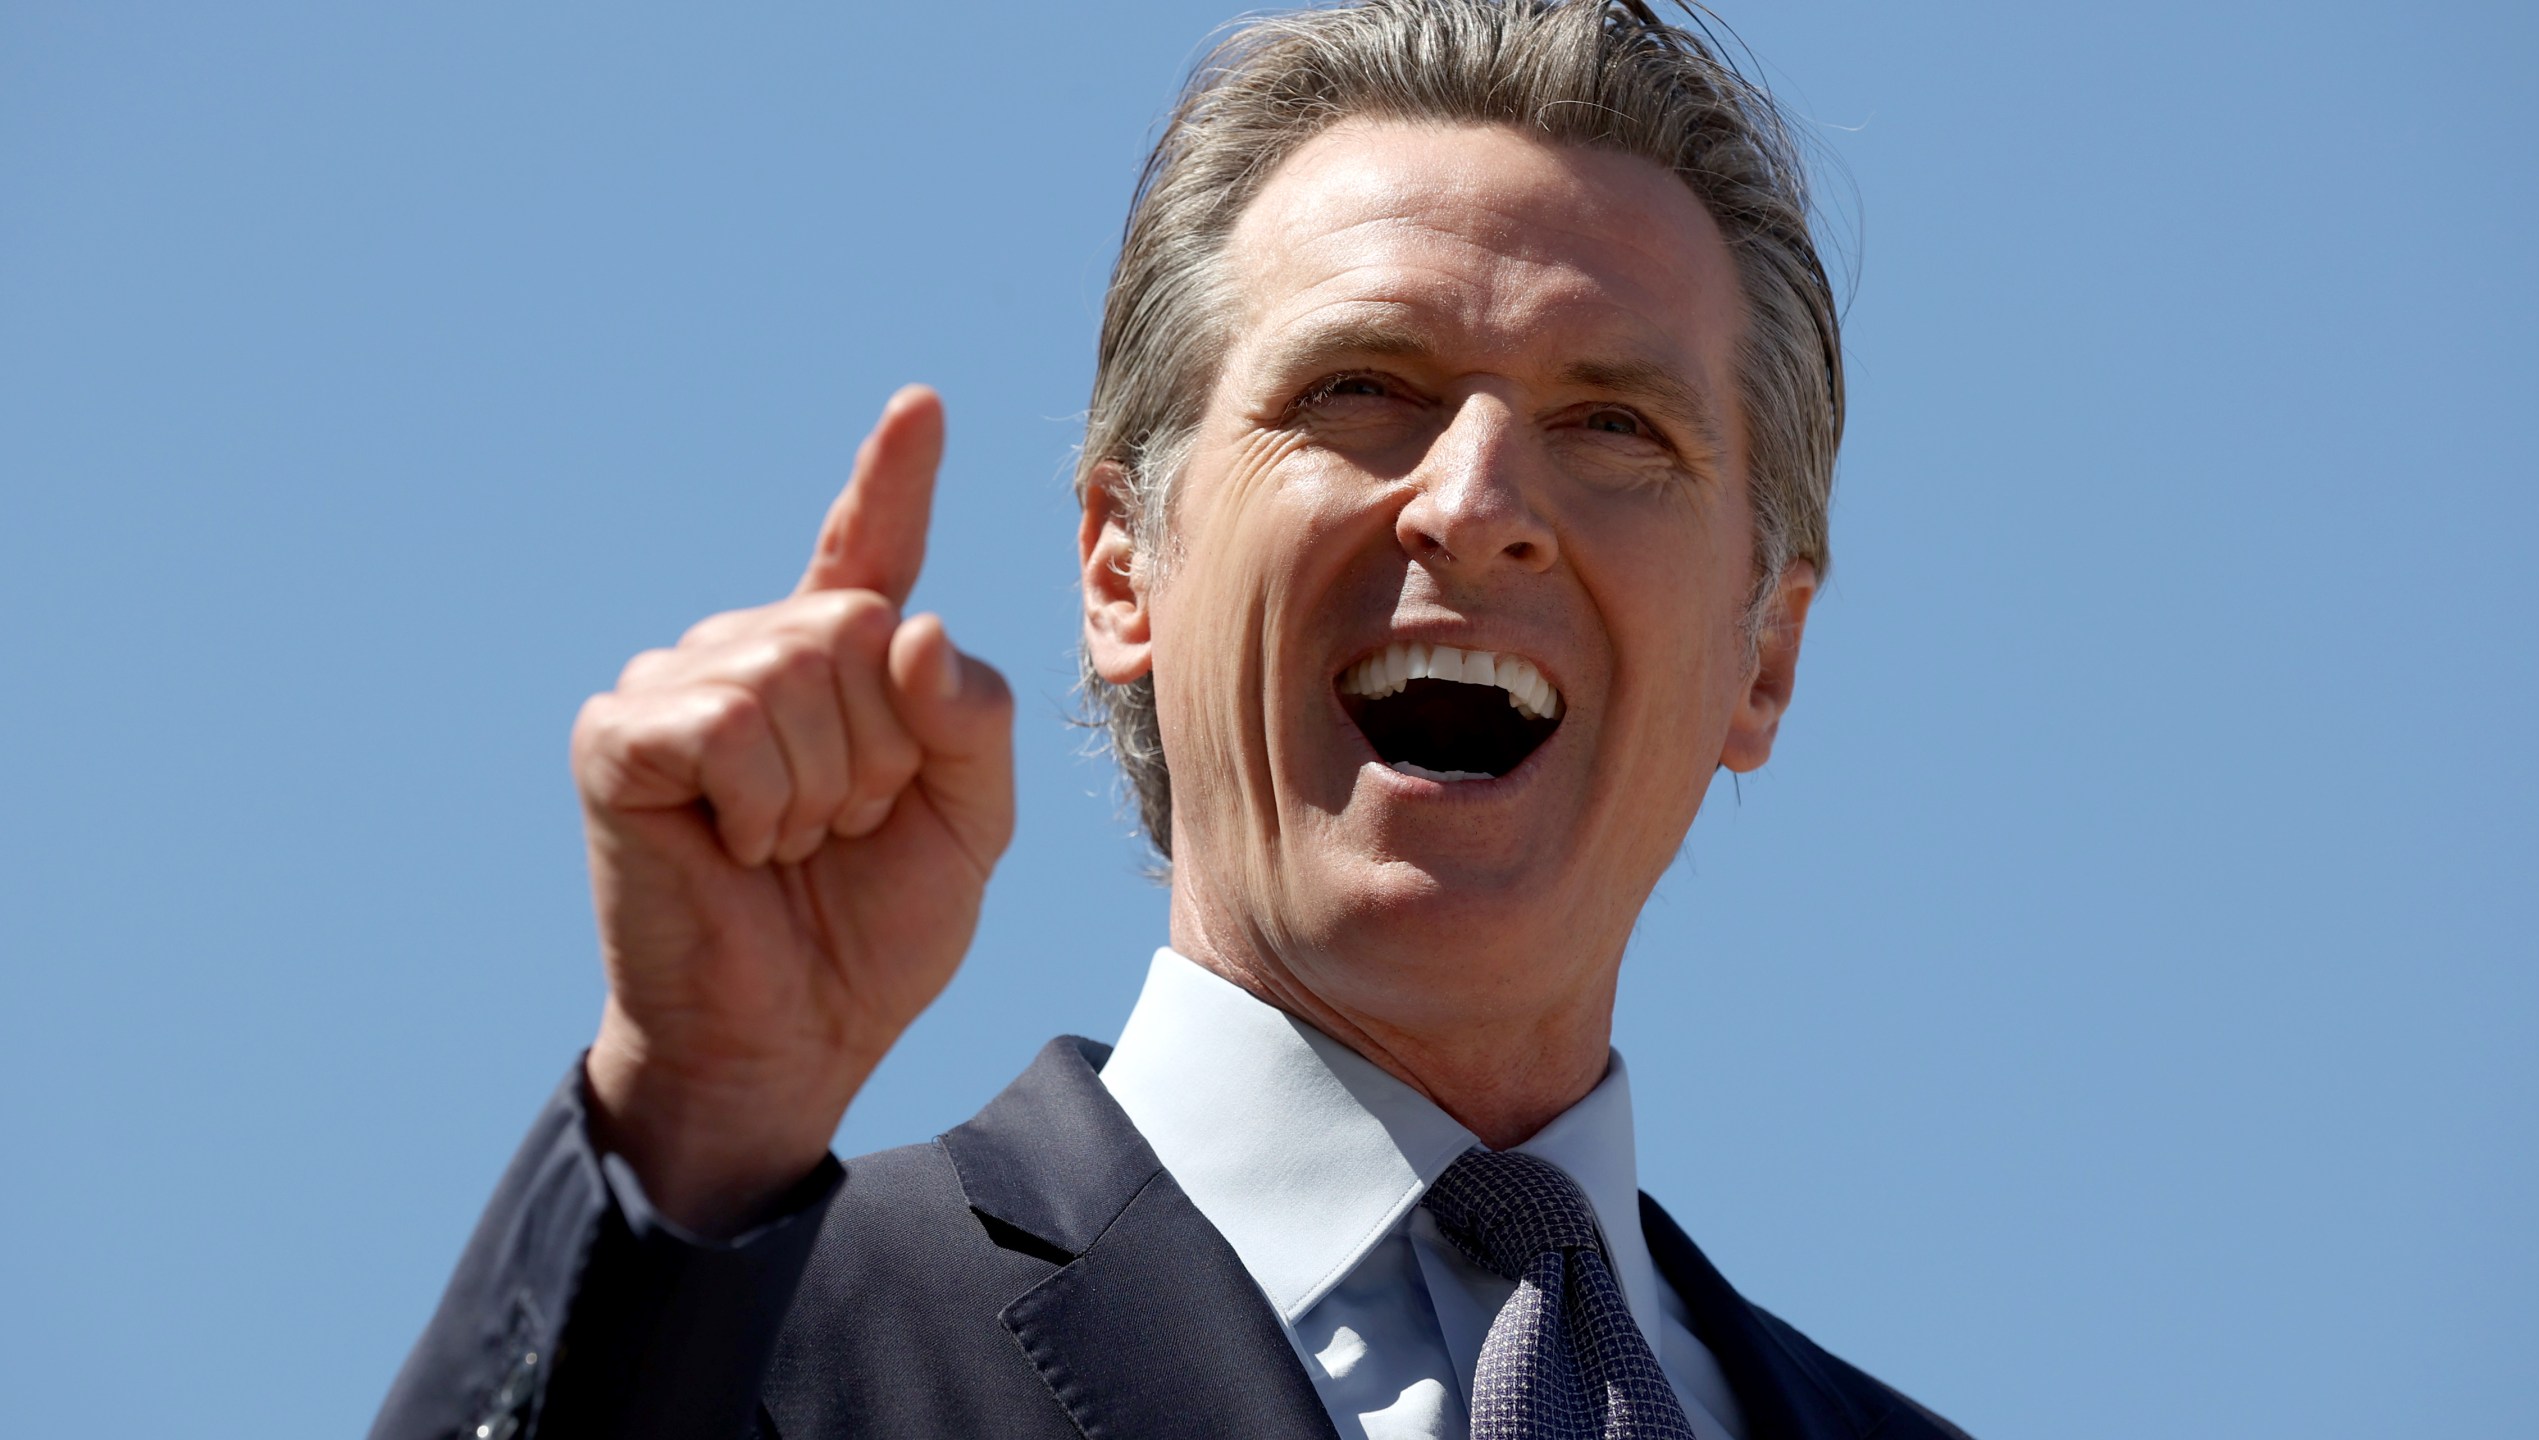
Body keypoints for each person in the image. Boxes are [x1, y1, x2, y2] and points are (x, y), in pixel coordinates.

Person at [372, 3, 1971, 1437]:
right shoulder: (751, 1344)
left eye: (1614, 424)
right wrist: (695, 1113)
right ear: (1123, 573)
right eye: (1360, 388)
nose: (1477, 503)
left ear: (1765, 654)